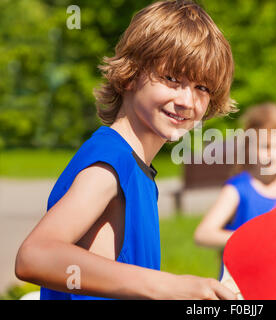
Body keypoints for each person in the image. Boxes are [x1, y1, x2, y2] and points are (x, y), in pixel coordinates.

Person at [15, 0, 238, 300]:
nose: (187, 100)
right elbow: (34, 256)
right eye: (172, 79)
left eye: (202, 87)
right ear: (131, 74)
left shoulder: (137, 171)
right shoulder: (109, 165)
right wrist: (170, 285)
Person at [194, 102, 276, 279]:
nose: (270, 155)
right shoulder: (238, 189)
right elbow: (203, 234)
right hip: (239, 290)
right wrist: (253, 240)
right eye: (264, 146)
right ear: (249, 146)